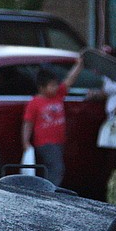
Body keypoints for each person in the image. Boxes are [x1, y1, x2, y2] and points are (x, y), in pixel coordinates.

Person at [21, 55, 84, 186]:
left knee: (50, 168)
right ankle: (51, 192)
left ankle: (46, 189)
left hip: (58, 141)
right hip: (45, 143)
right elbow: (28, 123)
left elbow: (69, 80)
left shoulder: (58, 94)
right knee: (57, 168)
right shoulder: (35, 103)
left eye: (56, 85)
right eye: (52, 85)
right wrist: (26, 142)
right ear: (41, 87)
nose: (55, 88)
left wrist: (79, 65)